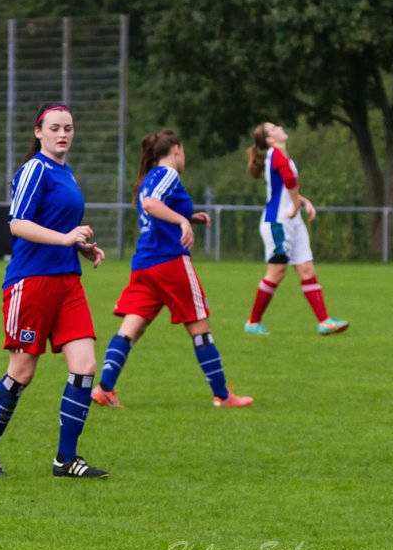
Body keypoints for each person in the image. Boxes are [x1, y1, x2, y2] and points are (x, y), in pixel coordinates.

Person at [0, 102, 108, 481]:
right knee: (22, 371)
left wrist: (80, 245)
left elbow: (58, 226)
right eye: (55, 128)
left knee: (85, 367)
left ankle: (66, 459)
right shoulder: (36, 169)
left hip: (68, 281)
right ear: (38, 132)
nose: (62, 134)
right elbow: (18, 223)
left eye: (68, 128)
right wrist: (65, 237)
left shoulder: (67, 173)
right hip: (30, 282)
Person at [91, 130, 252, 409]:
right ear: (176, 149)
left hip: (144, 264)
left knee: (131, 328)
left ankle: (105, 389)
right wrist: (183, 222)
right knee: (200, 327)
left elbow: (155, 207)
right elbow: (151, 204)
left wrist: (189, 217)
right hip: (170, 262)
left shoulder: (149, 177)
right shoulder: (168, 173)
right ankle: (223, 396)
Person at [243, 122, 349, 336]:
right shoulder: (276, 154)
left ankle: (324, 322)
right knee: (276, 273)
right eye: (273, 128)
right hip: (278, 224)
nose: (281, 127)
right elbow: (290, 182)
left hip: (293, 221)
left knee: (307, 270)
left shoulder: (281, 156)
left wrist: (301, 201)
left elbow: (284, 187)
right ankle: (253, 323)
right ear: (270, 140)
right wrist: (295, 204)